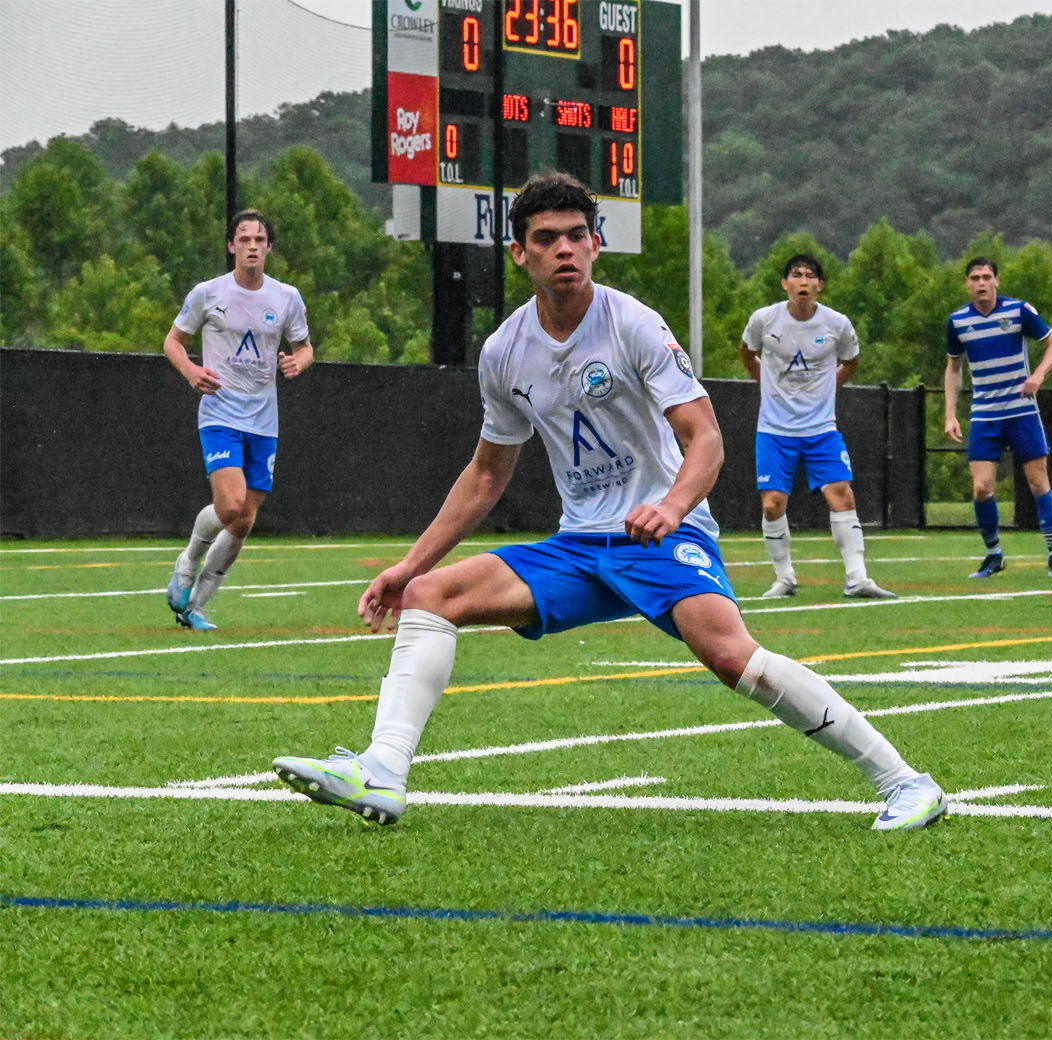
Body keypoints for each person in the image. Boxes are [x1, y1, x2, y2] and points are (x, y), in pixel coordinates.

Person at [272, 173, 945, 832]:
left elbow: (705, 438)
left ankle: (906, 782)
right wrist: (406, 566)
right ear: (520, 254)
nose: (564, 249)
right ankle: (383, 772)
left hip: (660, 536)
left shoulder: (634, 325)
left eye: (576, 236)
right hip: (582, 544)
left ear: (596, 244)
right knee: (430, 595)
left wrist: (674, 507)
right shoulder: (504, 351)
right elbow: (485, 475)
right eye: (546, 238)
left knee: (732, 657)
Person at [162, 209, 313, 630]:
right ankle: (188, 562)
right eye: (243, 239)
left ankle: (195, 608)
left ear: (269, 248)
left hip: (264, 421)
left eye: (259, 240)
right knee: (230, 508)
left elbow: (304, 346)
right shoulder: (208, 293)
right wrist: (192, 372)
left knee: (244, 522)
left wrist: (298, 362)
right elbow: (173, 341)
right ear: (231, 246)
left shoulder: (286, 298)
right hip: (220, 412)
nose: (251, 246)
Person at [739, 254, 894, 600]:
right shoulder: (765, 320)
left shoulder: (837, 324)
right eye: (796, 275)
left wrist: (831, 386)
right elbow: (747, 353)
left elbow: (852, 361)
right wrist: (765, 383)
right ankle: (784, 579)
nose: (803, 281)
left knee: (840, 492)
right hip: (774, 429)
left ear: (820, 285)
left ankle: (857, 578)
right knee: (772, 504)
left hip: (821, 428)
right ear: (785, 284)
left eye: (810, 275)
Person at [943, 258, 1052, 580]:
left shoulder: (1018, 311)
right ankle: (994, 554)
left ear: (997, 280)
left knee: (1038, 482)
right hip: (985, 414)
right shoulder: (957, 322)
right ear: (967, 284)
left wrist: (1038, 375)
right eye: (975, 278)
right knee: (982, 488)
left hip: (1021, 411)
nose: (981, 283)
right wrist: (950, 414)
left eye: (987, 277)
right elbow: (954, 368)